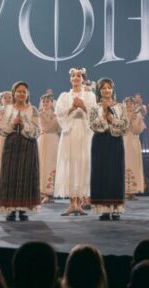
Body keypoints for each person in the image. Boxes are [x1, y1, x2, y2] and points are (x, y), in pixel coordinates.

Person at [0, 81, 42, 221]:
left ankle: (23, 209)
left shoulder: (33, 110)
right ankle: (10, 209)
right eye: (18, 91)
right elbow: (0, 130)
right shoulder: (6, 109)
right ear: (14, 93)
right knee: (9, 176)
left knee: (26, 176)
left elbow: (38, 131)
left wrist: (24, 125)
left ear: (27, 94)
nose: (21, 94)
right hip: (11, 145)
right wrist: (12, 124)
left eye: (24, 91)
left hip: (28, 145)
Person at [55, 67, 97, 216]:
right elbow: (59, 114)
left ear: (83, 79)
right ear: (70, 79)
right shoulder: (64, 96)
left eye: (79, 76)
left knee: (82, 163)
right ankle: (72, 203)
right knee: (70, 163)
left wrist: (83, 106)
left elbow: (94, 114)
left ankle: (79, 202)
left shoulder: (90, 95)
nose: (76, 78)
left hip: (84, 132)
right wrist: (73, 107)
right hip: (70, 132)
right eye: (73, 76)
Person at [89, 78, 128, 220]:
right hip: (100, 142)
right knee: (101, 173)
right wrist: (104, 116)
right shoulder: (94, 108)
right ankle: (104, 209)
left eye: (109, 88)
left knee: (115, 174)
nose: (106, 90)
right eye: (103, 88)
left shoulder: (121, 107)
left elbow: (125, 125)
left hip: (115, 141)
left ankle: (116, 208)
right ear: (99, 91)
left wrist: (112, 120)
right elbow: (92, 125)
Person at [38, 94, 60, 202]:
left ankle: (51, 192)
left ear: (52, 103)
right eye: (44, 101)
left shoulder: (57, 115)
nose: (45, 103)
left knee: (52, 164)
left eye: (47, 101)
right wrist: (55, 119)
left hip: (54, 140)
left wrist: (56, 118)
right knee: (42, 164)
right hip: (44, 140)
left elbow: (60, 128)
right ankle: (42, 192)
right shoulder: (39, 114)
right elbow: (45, 127)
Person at [124, 96, 146, 198]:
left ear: (134, 105)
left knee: (134, 165)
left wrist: (132, 121)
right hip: (123, 142)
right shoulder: (120, 116)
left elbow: (137, 131)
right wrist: (127, 119)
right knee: (124, 164)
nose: (129, 105)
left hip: (134, 143)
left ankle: (133, 190)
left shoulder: (138, 116)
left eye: (131, 103)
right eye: (127, 103)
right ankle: (124, 190)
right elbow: (120, 129)